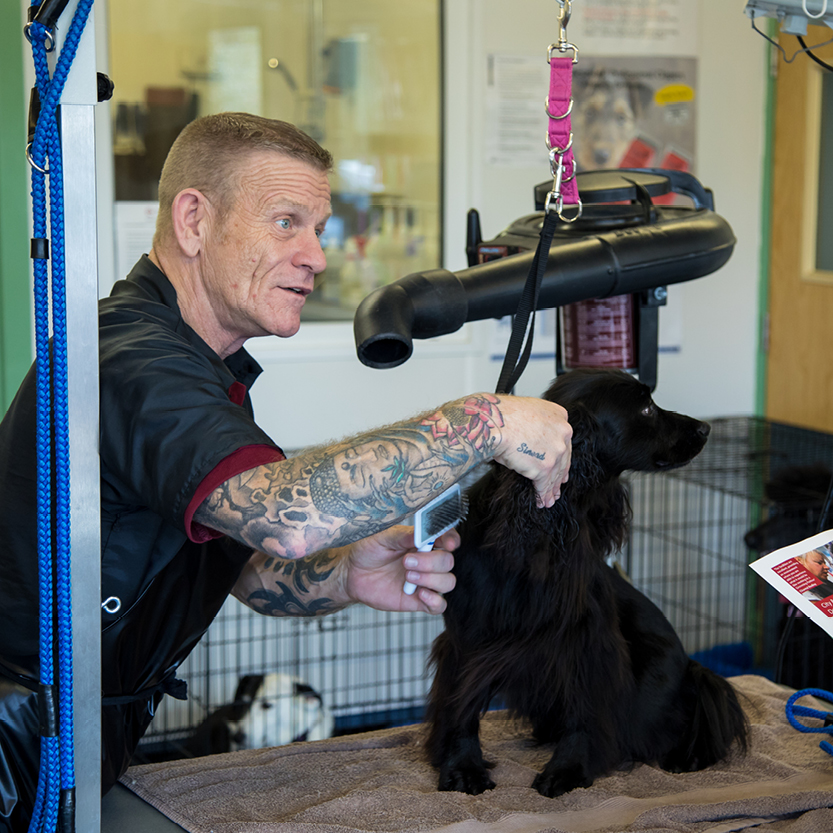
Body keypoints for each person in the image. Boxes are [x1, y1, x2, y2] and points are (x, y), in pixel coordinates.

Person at [0, 112, 572, 829]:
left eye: (319, 230)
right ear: (193, 221)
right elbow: (285, 515)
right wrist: (484, 421)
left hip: (73, 740)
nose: (316, 256)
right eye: (285, 222)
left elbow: (248, 562)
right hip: (14, 747)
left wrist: (344, 573)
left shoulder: (199, 370)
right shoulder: (136, 361)